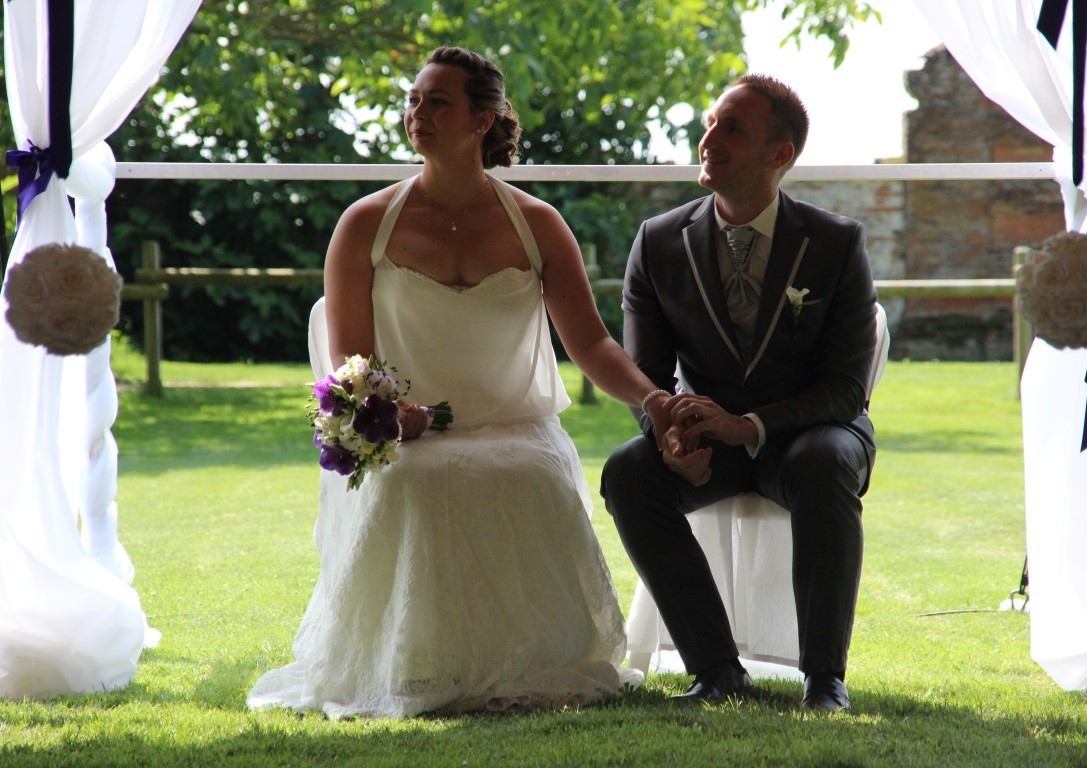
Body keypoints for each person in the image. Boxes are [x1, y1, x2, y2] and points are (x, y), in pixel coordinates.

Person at [247, 46, 670, 718]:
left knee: (528, 474)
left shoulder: (537, 225)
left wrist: (653, 398)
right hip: (407, 432)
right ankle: (417, 666)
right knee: (415, 481)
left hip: (515, 424)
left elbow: (589, 343)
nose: (417, 113)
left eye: (436, 101)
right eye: (414, 100)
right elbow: (349, 362)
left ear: (484, 119)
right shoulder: (363, 225)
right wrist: (393, 414)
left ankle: (535, 663)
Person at [601, 74, 877, 711]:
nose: (709, 139)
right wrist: (668, 431)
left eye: (732, 128)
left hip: (810, 435)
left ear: (779, 155)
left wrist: (747, 424)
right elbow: (646, 375)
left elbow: (844, 391)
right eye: (710, 123)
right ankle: (717, 670)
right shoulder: (659, 241)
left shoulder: (836, 244)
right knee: (628, 473)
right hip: (710, 441)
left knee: (822, 459)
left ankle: (824, 680)